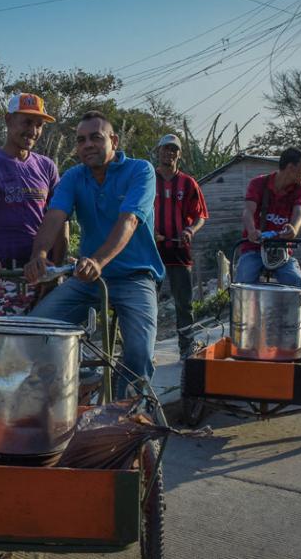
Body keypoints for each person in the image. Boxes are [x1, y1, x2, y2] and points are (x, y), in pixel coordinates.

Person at [24, 111, 164, 396]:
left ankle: (129, 414)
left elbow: (130, 221)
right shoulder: (75, 176)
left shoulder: (141, 171)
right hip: (86, 279)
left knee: (139, 351)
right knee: (35, 329)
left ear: (113, 140)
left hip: (134, 277)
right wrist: (39, 253)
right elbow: (55, 216)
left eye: (95, 138)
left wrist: (98, 260)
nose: (87, 144)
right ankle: (71, 390)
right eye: (81, 140)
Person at [0, 93, 66, 315]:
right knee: (9, 345)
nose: (33, 131)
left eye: (39, 125)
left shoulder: (47, 167)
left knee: (47, 345)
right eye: (27, 122)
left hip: (44, 271)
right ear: (8, 120)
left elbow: (59, 218)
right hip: (7, 274)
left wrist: (56, 268)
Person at [152, 134, 208, 358]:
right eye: (166, 149)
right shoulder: (148, 179)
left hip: (179, 249)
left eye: (174, 150)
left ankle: (186, 347)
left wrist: (190, 230)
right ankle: (145, 350)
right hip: (152, 249)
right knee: (147, 302)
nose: (169, 153)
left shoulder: (188, 183)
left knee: (184, 302)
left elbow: (201, 215)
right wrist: (150, 232)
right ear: (158, 151)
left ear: (179, 154)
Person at [235, 146, 301, 287]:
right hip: (254, 248)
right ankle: (242, 308)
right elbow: (248, 211)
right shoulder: (258, 184)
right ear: (290, 167)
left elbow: (299, 213)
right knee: (243, 283)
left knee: (296, 282)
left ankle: (298, 309)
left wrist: (293, 229)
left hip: (281, 251)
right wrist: (252, 231)